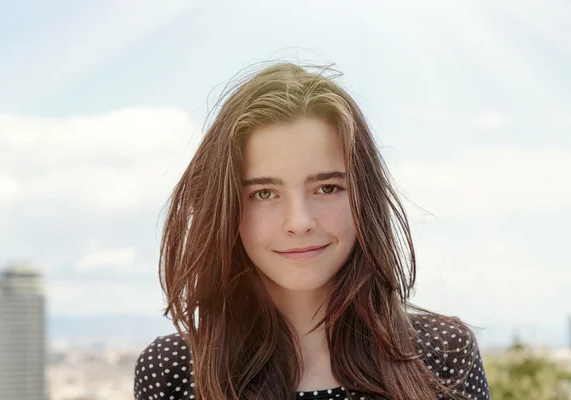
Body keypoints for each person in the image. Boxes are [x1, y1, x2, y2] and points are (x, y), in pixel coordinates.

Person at [133, 62, 491, 400]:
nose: (300, 221)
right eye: (264, 194)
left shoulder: (445, 354)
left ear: (364, 197)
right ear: (226, 208)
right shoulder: (173, 371)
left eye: (327, 188)